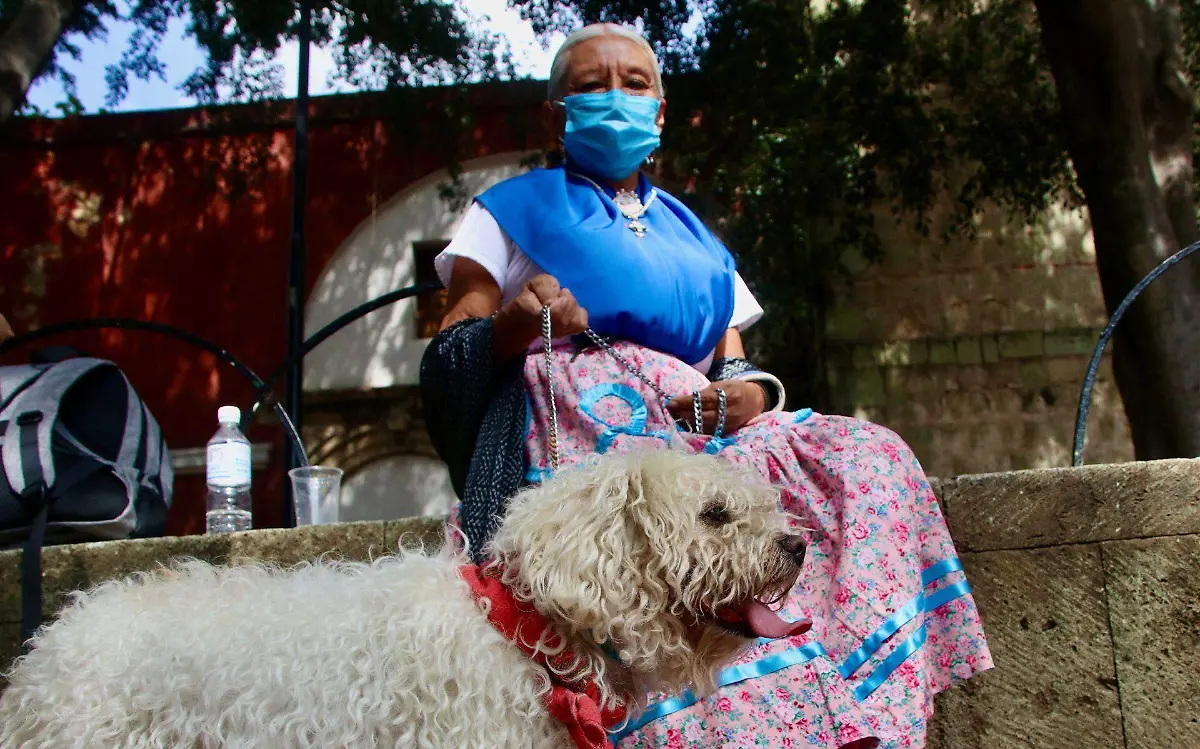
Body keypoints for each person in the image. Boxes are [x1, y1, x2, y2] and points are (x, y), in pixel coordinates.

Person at [419, 22, 991, 749]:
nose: (615, 98)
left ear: (659, 112)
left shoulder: (696, 238)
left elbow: (736, 365)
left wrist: (750, 397)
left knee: (865, 454)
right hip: (581, 426)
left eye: (634, 83)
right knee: (672, 529)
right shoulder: (508, 212)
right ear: (554, 114)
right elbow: (448, 356)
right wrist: (513, 323)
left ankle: (853, 695)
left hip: (700, 428)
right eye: (591, 85)